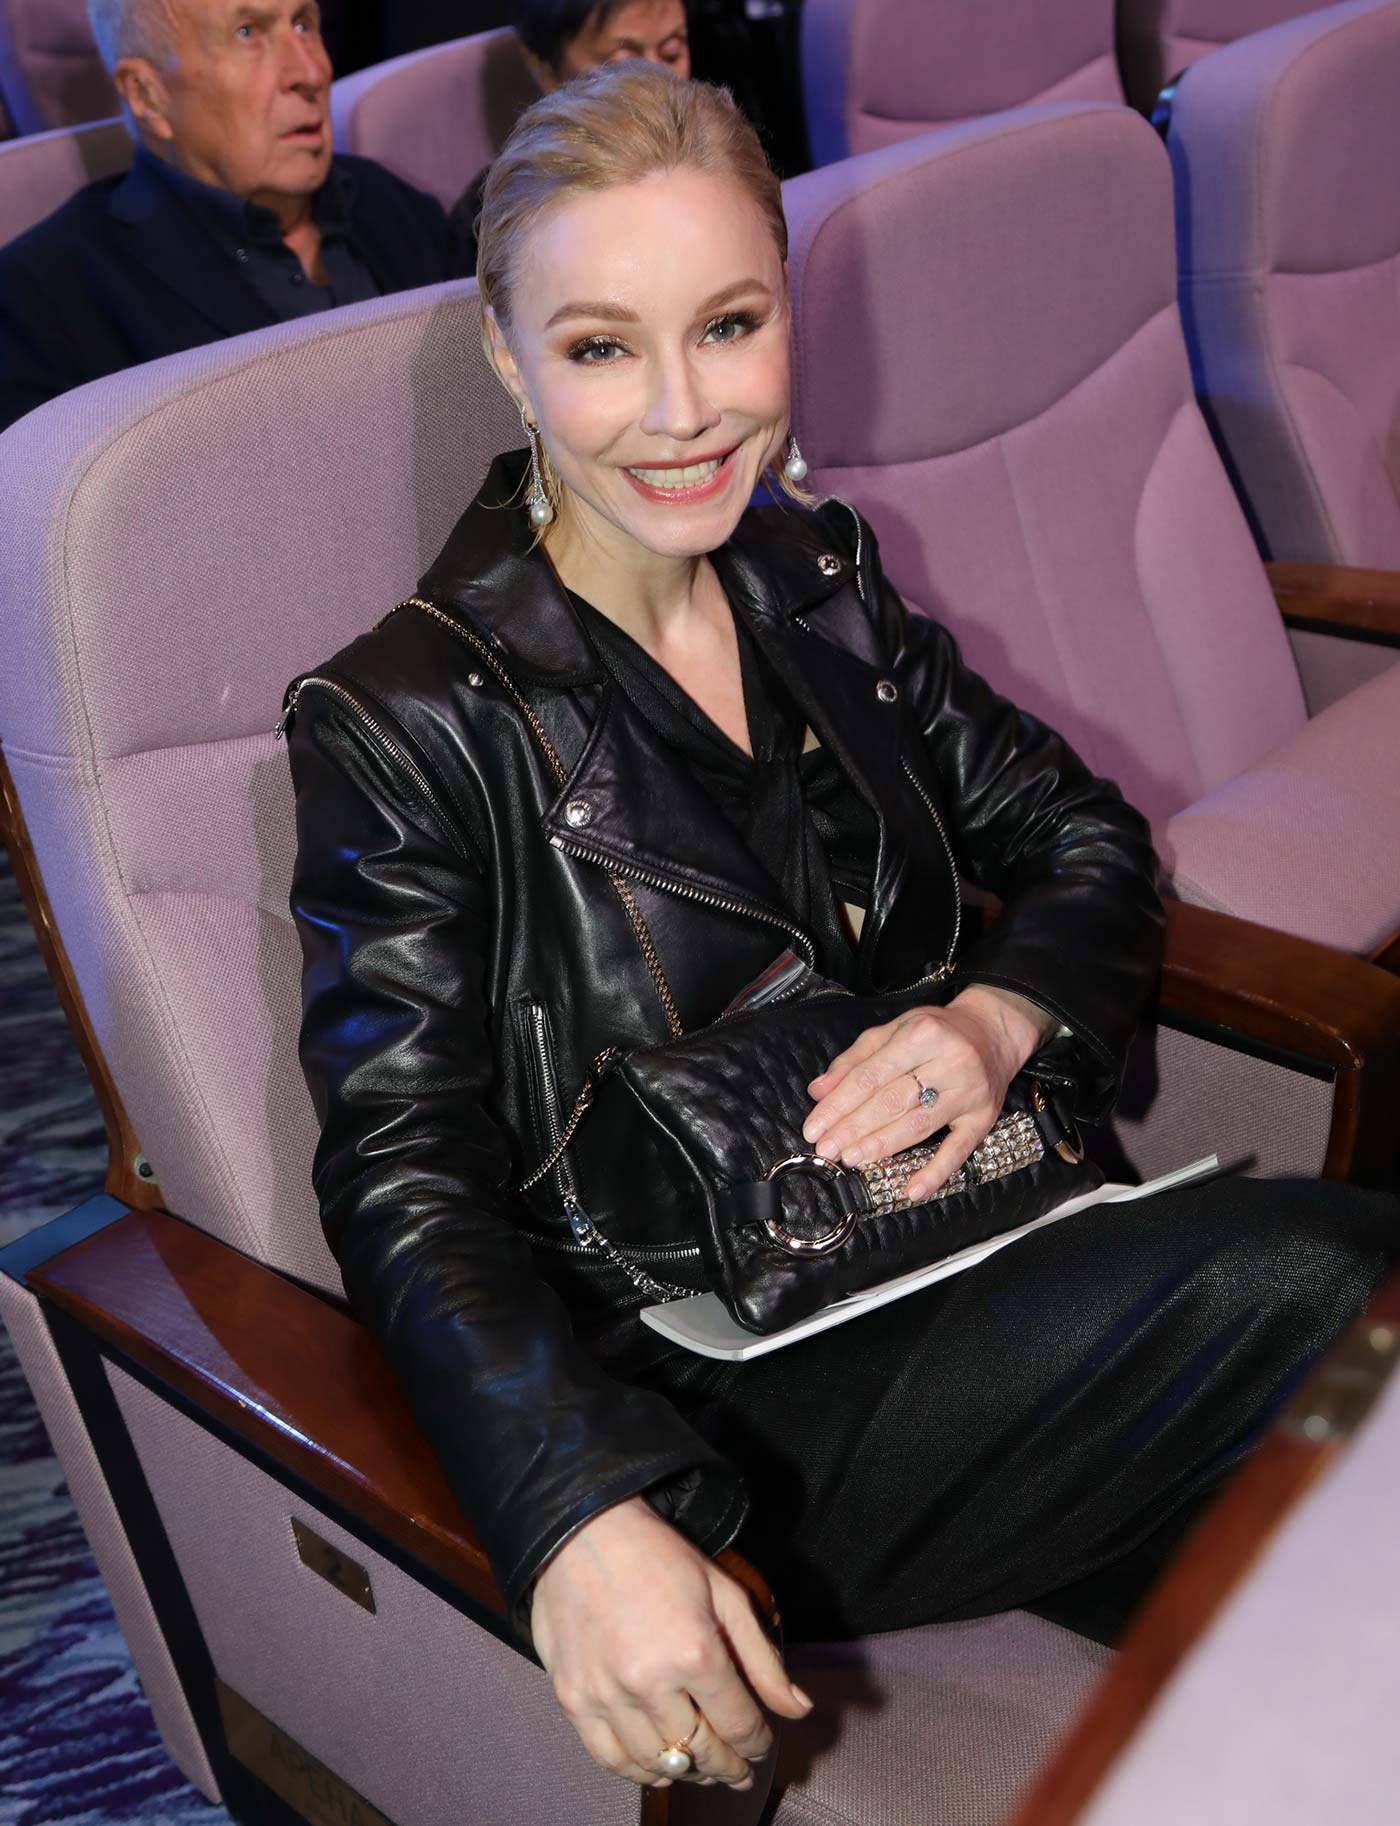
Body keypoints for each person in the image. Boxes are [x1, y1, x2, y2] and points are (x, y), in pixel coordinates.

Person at [285, 64, 1396, 1798]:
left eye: (729, 326)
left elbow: (1085, 838)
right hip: (717, 1372)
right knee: (1344, 1291)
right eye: (601, 347)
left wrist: (995, 1021)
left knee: (1338, 1608)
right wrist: (575, 1508)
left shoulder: (814, 579)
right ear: (507, 356)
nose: (683, 413)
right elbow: (398, 1168)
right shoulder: (409, 715)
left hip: (975, 1249)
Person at [0, 0, 462, 435]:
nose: (310, 72)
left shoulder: (389, 201)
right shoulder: (46, 303)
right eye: (247, 33)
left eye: (304, 23)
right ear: (148, 95)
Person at [449, 0, 689, 270]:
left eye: (672, 53)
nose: (657, 79)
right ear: (543, 67)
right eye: (626, 59)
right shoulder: (500, 217)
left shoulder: (719, 157)